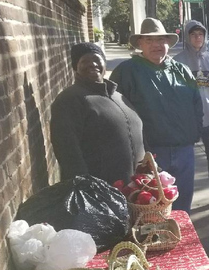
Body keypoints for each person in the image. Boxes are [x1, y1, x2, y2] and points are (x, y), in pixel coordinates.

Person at [110, 18, 202, 213]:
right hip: (150, 154)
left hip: (184, 150)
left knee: (182, 207)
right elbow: (116, 113)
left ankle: (182, 240)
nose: (156, 45)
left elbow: (197, 105)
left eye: (161, 40)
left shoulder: (182, 71)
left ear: (168, 43)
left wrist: (195, 133)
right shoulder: (126, 72)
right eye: (150, 40)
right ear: (140, 43)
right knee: (152, 209)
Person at [51, 42, 144, 185]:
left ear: (104, 64)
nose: (92, 64)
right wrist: (86, 187)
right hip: (101, 192)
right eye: (84, 61)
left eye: (97, 59)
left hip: (133, 189)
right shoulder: (69, 99)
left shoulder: (118, 96)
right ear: (76, 67)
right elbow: (67, 149)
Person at [173, 20, 209, 206]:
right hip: (187, 120)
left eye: (200, 34)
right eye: (193, 34)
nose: (197, 38)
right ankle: (181, 200)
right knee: (184, 163)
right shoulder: (177, 62)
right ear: (187, 37)